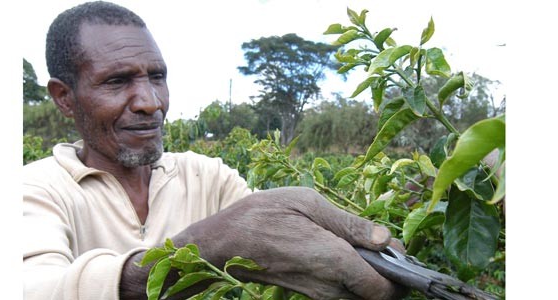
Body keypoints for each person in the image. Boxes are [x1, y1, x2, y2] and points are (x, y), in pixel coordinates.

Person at [23, 1, 407, 299]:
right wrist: (206, 248)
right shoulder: (35, 190)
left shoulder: (205, 177)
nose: (150, 102)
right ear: (64, 97)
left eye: (157, 77)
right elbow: (33, 289)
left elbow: (278, 241)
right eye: (117, 81)